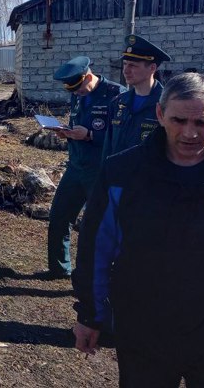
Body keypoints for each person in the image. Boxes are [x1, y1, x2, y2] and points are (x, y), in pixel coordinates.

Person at [72, 73, 204, 388]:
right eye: (178, 120)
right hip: (143, 333)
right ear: (159, 114)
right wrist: (90, 315)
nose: (189, 133)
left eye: (202, 123)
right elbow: (95, 248)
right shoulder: (122, 172)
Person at [45, 56, 123, 279]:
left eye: (79, 89)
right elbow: (78, 123)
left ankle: (99, 277)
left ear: (89, 77)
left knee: (98, 226)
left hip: (99, 170)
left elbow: (120, 135)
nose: (76, 94)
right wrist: (67, 133)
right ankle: (59, 269)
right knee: (59, 216)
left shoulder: (116, 94)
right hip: (76, 166)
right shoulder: (77, 96)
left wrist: (89, 135)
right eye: (73, 91)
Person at [100, 34, 171, 160]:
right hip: (118, 176)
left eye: (132, 65)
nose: (126, 70)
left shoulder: (168, 104)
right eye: (125, 64)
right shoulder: (118, 102)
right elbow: (108, 148)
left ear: (152, 68)